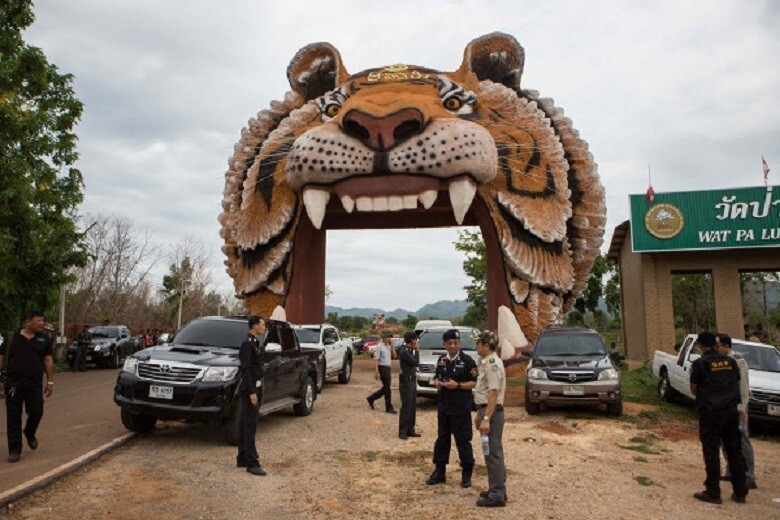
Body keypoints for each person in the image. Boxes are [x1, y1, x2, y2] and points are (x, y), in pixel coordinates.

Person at [689, 331, 748, 504]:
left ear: (700, 345)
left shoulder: (700, 364)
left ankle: (713, 492)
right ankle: (740, 492)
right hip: (730, 412)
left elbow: (693, 388)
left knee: (711, 452)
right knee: (734, 452)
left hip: (710, 413)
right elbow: (737, 384)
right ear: (715, 344)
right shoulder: (731, 362)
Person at [0, 310, 55, 463]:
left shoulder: (44, 339)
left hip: (34, 384)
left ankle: (29, 432)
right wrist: (0, 378)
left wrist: (50, 382)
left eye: (43, 321)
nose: (42, 324)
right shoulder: (12, 339)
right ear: (28, 321)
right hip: (13, 384)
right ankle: (14, 450)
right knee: (13, 417)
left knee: (37, 411)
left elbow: (48, 360)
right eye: (39, 321)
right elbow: (2, 357)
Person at [427, 328, 478, 488]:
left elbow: (475, 382)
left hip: (460, 408)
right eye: (450, 343)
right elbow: (437, 376)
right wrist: (436, 381)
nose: (453, 346)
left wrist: (458, 385)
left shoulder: (468, 361)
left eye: (456, 343)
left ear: (459, 344)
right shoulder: (442, 360)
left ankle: (466, 473)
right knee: (442, 440)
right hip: (444, 407)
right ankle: (439, 471)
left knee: (463, 441)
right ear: (445, 344)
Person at [716, 333, 757, 490]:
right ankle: (732, 470)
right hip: (724, 406)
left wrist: (741, 409)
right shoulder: (720, 361)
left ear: (726, 346)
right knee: (725, 439)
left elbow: (743, 388)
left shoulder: (738, 361)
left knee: (742, 439)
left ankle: (749, 476)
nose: (716, 349)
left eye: (718, 346)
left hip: (737, 407)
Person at [473, 331, 507, 507]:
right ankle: (496, 488)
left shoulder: (493, 364)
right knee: (490, 452)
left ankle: (498, 493)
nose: (476, 345)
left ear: (486, 345)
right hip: (486, 411)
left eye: (478, 342)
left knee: (493, 452)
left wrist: (486, 418)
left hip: (491, 413)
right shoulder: (486, 362)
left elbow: (493, 393)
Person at [236, 315, 267, 476]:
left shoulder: (255, 343)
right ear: (254, 326)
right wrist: (251, 392)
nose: (264, 327)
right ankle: (252, 462)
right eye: (262, 324)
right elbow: (245, 369)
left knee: (244, 424)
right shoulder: (247, 344)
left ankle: (242, 457)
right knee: (250, 425)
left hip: (255, 387)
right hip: (250, 389)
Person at [366, 331, 397, 414]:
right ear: (383, 337)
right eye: (388, 337)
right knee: (387, 389)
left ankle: (371, 398)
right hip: (382, 368)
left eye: (390, 337)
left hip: (388, 368)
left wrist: (392, 346)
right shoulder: (378, 347)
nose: (389, 338)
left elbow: (394, 356)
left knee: (386, 388)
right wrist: (376, 372)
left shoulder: (388, 346)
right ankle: (389, 407)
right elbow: (376, 359)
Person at [398, 331, 421, 439]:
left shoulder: (408, 350)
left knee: (412, 407)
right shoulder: (404, 352)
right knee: (407, 407)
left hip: (411, 381)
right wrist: (417, 351)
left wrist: (414, 349)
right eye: (415, 340)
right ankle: (403, 431)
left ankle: (410, 429)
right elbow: (416, 362)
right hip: (406, 382)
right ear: (411, 341)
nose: (416, 342)